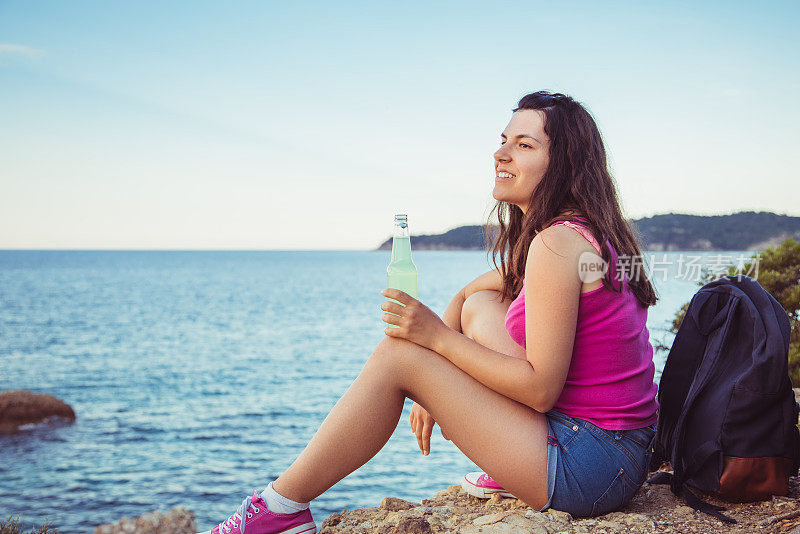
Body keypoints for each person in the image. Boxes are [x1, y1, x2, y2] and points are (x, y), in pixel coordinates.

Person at [200, 91, 660, 534]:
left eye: (524, 145)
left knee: (397, 357)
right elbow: (470, 295)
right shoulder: (579, 231)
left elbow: (540, 390)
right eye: (503, 140)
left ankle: (279, 509)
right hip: (619, 450)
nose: (501, 154)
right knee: (482, 308)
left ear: (564, 163)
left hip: (594, 466)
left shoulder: (555, 244)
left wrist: (434, 342)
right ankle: (507, 463)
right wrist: (434, 379)